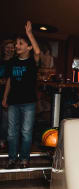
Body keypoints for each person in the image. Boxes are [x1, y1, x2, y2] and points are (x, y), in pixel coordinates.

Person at [2, 21, 40, 169]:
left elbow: (37, 52)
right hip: (13, 102)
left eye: (20, 44)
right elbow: (10, 81)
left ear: (28, 47)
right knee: (12, 132)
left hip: (29, 102)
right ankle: (12, 159)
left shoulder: (32, 61)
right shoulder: (12, 62)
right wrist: (5, 97)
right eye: (16, 44)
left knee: (26, 132)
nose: (16, 46)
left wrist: (29, 34)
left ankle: (24, 159)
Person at [0, 40, 15, 149]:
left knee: (6, 120)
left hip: (10, 94)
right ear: (3, 48)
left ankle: (3, 140)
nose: (9, 49)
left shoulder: (15, 61)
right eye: (7, 47)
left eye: (11, 47)